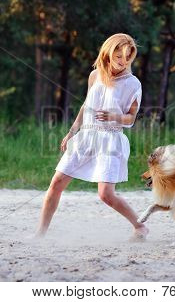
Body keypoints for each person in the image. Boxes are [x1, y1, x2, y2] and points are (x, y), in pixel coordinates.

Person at [35, 33, 148, 240]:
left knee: (106, 194)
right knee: (57, 182)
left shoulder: (133, 84)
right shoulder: (95, 75)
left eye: (127, 58)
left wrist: (113, 116)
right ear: (108, 52)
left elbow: (131, 119)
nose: (122, 62)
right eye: (118, 57)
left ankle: (140, 226)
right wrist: (72, 132)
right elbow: (87, 105)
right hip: (87, 135)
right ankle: (40, 233)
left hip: (110, 139)